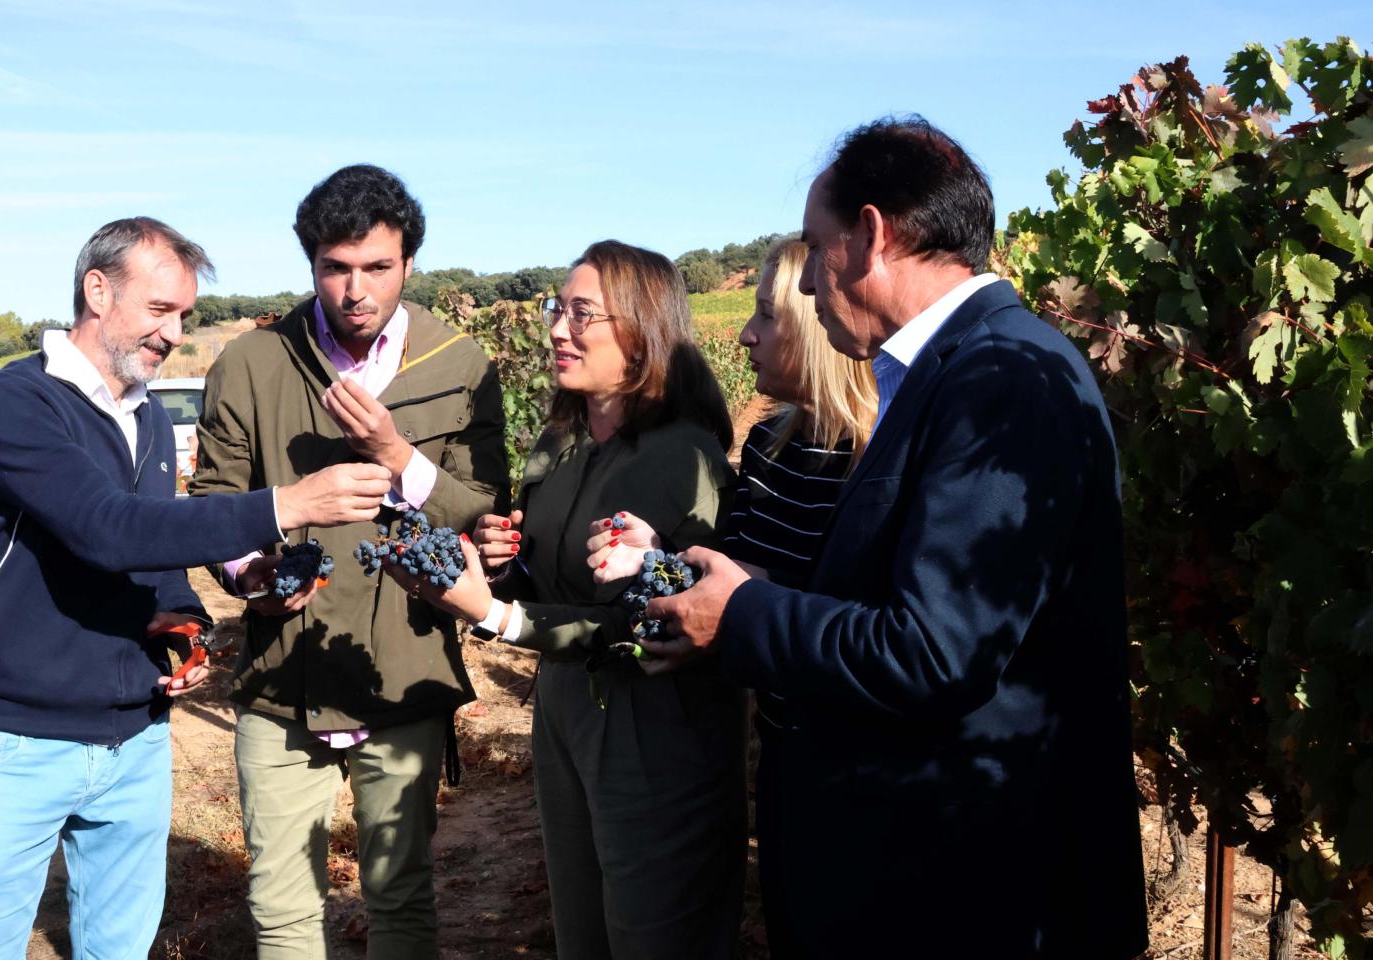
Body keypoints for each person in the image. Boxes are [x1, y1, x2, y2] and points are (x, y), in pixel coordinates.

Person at [639, 117, 1150, 956]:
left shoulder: (998, 380)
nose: (805, 288)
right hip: (927, 875)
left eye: (815, 248)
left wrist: (745, 614)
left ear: (870, 235)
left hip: (961, 896)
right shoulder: (959, 370)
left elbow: (935, 650)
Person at [0, 217, 394, 959]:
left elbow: (153, 557)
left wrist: (181, 621)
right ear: (96, 290)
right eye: (160, 312)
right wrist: (289, 504)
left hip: (135, 742)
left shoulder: (146, 415)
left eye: (184, 315)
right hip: (17, 741)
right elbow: (107, 529)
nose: (175, 334)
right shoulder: (19, 403)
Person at [393, 240, 746, 960]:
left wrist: (494, 614)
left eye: (583, 314)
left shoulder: (683, 457)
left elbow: (645, 620)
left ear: (643, 331)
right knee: (581, 927)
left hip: (653, 720)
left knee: (655, 932)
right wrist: (497, 566)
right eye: (559, 308)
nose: (557, 328)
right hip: (564, 706)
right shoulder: (561, 444)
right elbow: (548, 580)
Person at [191, 164, 508, 959]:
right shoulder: (253, 363)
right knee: (281, 903)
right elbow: (211, 502)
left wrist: (396, 454)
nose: (356, 289)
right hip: (280, 680)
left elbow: (487, 512)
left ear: (409, 263)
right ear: (312, 266)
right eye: (335, 268)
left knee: (400, 896)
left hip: (404, 674)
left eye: (377, 267)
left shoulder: (460, 365)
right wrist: (246, 579)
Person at [584, 236, 874, 956]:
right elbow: (732, 582)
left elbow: (861, 615)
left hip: (862, 773)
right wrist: (659, 558)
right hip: (779, 749)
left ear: (813, 322)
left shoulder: (875, 459)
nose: (745, 334)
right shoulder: (774, 445)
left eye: (765, 316)